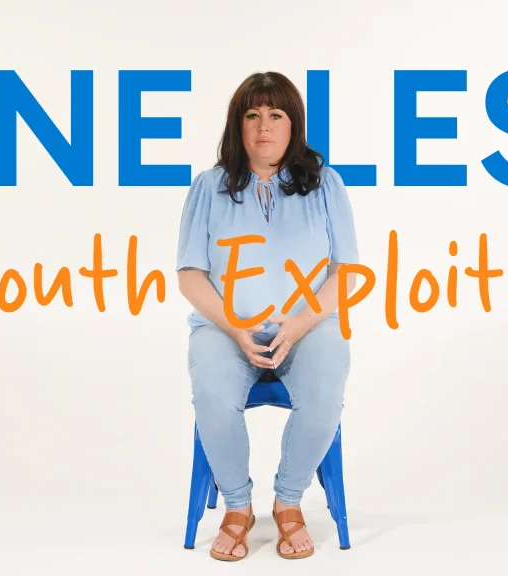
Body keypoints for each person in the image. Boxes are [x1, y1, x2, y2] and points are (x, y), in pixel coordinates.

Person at [175, 71, 360, 561]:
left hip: (306, 327)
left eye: (275, 115)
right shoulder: (208, 187)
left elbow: (346, 272)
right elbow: (191, 275)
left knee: (326, 386)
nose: (263, 126)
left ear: (292, 123)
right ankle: (237, 507)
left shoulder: (325, 185)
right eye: (252, 115)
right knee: (211, 389)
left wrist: (302, 322)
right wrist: (234, 328)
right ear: (238, 125)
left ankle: (288, 500)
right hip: (226, 329)